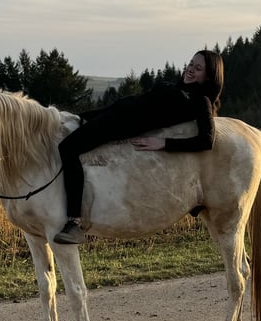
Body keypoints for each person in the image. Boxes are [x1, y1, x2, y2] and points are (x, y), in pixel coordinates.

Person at [53, 49, 225, 244]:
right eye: (191, 64)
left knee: (67, 148)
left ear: (209, 76)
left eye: (198, 68)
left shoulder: (200, 101)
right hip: (110, 114)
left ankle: (74, 223)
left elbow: (206, 140)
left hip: (119, 126)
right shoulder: (175, 87)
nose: (190, 69)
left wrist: (163, 143)